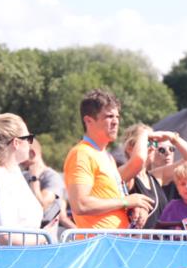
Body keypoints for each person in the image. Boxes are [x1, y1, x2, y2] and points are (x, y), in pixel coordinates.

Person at [64, 89, 154, 231]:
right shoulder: (81, 154)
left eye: (117, 117)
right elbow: (80, 204)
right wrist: (126, 201)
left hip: (114, 243)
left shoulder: (108, 157)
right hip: (99, 245)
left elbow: (112, 200)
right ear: (88, 121)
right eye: (109, 116)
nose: (115, 122)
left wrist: (132, 208)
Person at [0, 114, 50, 245]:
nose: (31, 144)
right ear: (16, 143)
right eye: (28, 138)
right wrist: (44, 236)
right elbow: (5, 237)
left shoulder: (14, 174)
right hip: (4, 263)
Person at [20, 139, 74, 231]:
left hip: (45, 242)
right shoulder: (23, 176)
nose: (19, 160)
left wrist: (34, 179)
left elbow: (42, 205)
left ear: (32, 153)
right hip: (26, 238)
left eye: (21, 154)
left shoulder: (52, 177)